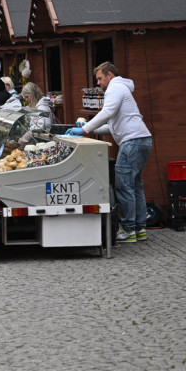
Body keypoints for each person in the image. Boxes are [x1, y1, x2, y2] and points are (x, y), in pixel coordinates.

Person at [68, 62, 153, 244]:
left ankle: (128, 230)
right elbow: (112, 126)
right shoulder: (122, 88)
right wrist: (90, 129)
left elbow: (107, 112)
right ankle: (140, 228)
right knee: (135, 185)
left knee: (124, 185)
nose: (98, 83)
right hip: (142, 139)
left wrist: (85, 129)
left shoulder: (115, 88)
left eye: (100, 78)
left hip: (132, 141)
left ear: (110, 75)